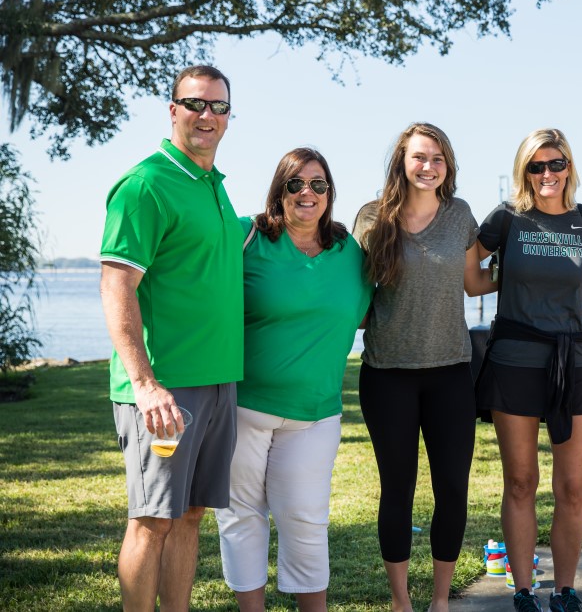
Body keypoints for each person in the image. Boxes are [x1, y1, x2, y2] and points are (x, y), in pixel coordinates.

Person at [99, 64, 242, 612]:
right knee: (152, 519)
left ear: (229, 116)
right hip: (165, 389)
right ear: (173, 110)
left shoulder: (213, 187)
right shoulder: (146, 185)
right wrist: (145, 383)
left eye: (218, 107)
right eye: (196, 104)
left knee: (189, 515)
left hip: (218, 381)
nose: (207, 115)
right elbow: (118, 286)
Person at [214, 148, 373, 611]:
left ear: (330, 194)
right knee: (240, 518)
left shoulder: (351, 253)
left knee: (306, 520)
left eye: (318, 184)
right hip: (242, 407)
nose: (308, 193)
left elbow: (372, 312)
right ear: (278, 191)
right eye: (296, 184)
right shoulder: (246, 237)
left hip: (315, 413)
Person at [354, 123, 493, 612]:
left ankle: (439, 600)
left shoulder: (460, 216)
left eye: (437, 158)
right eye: (419, 157)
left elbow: (475, 282)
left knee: (452, 489)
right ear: (402, 162)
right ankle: (400, 601)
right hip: (387, 374)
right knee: (398, 489)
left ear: (447, 165)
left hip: (451, 374)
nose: (428, 166)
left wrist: (532, 261)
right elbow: (356, 297)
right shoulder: (372, 218)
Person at [475, 128, 582, 612]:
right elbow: (471, 278)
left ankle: (565, 590)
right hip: (514, 362)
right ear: (524, 170)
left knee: (571, 487)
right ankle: (525, 590)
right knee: (521, 481)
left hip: (574, 363)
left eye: (556, 164)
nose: (547, 174)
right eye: (537, 166)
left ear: (569, 166)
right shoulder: (508, 217)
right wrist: (505, 278)